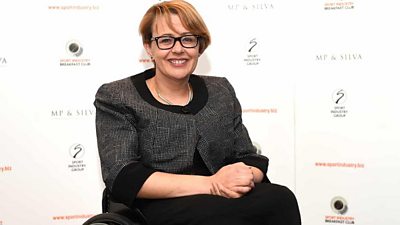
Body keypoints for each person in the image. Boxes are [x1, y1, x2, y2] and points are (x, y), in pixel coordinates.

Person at [94, 0, 301, 224]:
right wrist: (212, 184)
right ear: (148, 46)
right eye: (165, 40)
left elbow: (249, 157)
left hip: (223, 198)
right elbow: (122, 175)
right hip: (155, 205)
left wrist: (243, 176)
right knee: (216, 216)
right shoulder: (118, 95)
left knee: (281, 198)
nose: (178, 49)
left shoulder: (220, 89)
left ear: (199, 46)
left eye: (188, 39)